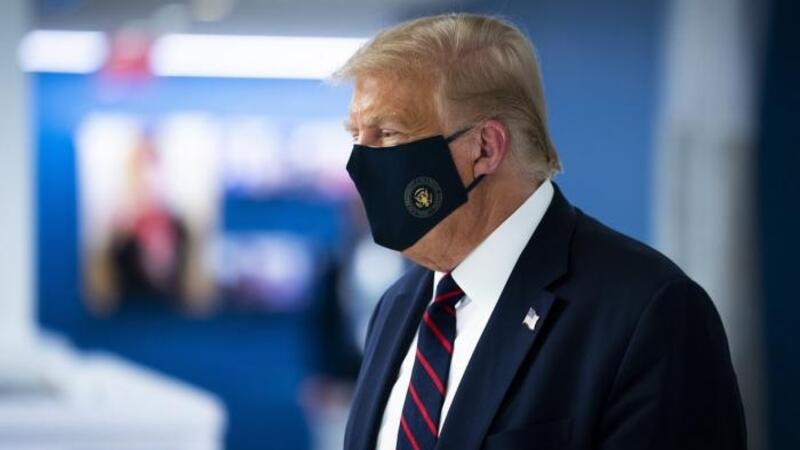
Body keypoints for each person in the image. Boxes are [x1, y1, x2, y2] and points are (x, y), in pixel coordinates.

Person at [336, 13, 746, 450]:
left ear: (485, 147)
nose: (359, 163)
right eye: (356, 135)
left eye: (388, 134)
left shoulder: (648, 313)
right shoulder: (397, 306)